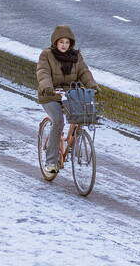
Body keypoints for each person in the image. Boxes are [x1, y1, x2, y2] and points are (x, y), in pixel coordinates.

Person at [36, 25, 97, 174]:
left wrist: (93, 85)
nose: (64, 45)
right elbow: (43, 72)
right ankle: (51, 161)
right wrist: (47, 86)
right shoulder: (47, 55)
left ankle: (72, 141)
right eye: (61, 42)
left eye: (67, 42)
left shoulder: (76, 56)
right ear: (55, 42)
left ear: (71, 44)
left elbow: (84, 72)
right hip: (50, 95)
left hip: (70, 94)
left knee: (82, 117)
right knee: (58, 121)